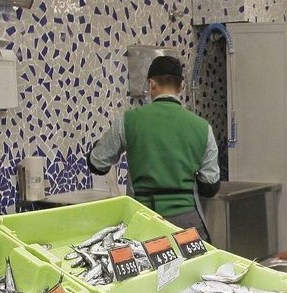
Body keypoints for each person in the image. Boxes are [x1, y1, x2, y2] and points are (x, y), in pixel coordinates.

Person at [87, 54, 220, 232]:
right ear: (181, 86)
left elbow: (97, 163)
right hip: (187, 224)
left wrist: (98, 145)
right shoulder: (203, 128)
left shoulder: (128, 121)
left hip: (143, 220)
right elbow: (210, 186)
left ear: (151, 84)